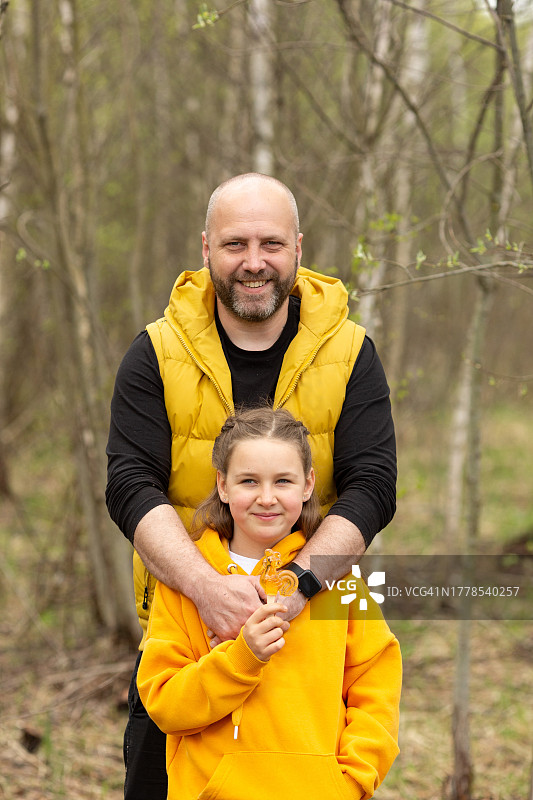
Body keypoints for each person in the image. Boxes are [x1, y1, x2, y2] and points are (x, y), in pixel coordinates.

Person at [106, 172, 397, 799]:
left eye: (271, 244)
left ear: (298, 247)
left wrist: (299, 590)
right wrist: (204, 588)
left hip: (309, 659)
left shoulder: (350, 353)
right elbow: (130, 484)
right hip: (186, 642)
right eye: (236, 244)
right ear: (206, 249)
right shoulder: (155, 352)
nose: (254, 262)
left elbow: (372, 486)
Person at [137, 406, 401, 800]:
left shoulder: (339, 582)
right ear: (222, 485)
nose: (266, 498)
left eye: (283, 481)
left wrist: (351, 780)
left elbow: (375, 687)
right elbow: (166, 704)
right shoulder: (188, 585)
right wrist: (241, 659)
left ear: (308, 484)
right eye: (248, 481)